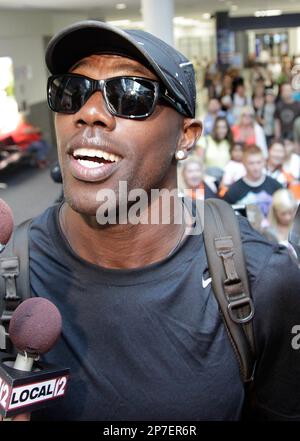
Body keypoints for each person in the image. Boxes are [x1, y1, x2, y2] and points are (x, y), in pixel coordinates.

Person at [2, 20, 300, 422]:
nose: (89, 113)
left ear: (186, 137)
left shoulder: (262, 279)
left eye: (130, 97)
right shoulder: (11, 271)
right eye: (72, 92)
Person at [223, 144, 282, 221]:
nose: (256, 168)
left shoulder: (275, 186)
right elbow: (225, 218)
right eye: (251, 163)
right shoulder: (234, 190)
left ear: (264, 162)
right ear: (244, 164)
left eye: (259, 162)